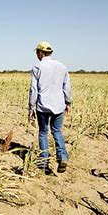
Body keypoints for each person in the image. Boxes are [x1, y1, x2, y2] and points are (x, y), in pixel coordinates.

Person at [28, 41, 72, 174]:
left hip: (42, 106)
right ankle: (62, 157)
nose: (36, 54)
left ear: (41, 53)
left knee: (43, 132)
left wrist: (31, 107)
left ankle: (44, 161)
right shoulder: (62, 66)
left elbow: (33, 90)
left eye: (37, 52)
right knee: (57, 131)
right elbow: (67, 87)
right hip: (58, 105)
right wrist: (68, 102)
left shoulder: (37, 67)